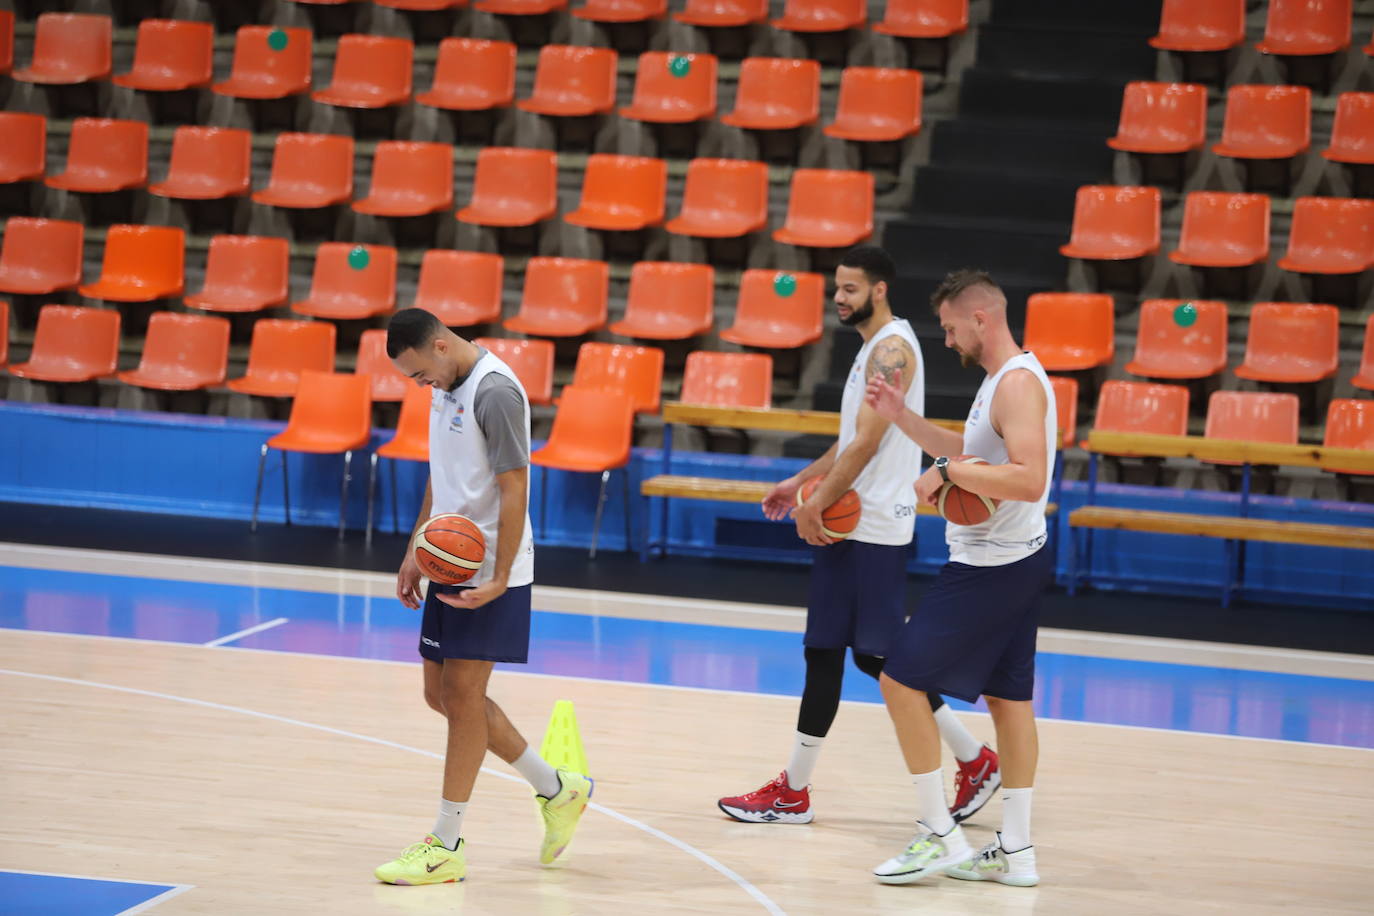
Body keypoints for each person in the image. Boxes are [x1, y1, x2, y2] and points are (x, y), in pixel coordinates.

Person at [717, 247, 999, 826]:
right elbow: (852, 437)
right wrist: (801, 480)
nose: (839, 298)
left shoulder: (892, 349)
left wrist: (814, 505)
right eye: (837, 289)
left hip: (871, 528)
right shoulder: (874, 350)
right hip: (857, 524)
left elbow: (869, 445)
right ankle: (796, 789)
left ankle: (974, 759)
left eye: (849, 289)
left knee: (879, 658)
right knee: (832, 651)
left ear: (878, 290)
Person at [373, 308, 592, 885]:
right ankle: (557, 788)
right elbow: (442, 473)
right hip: (450, 557)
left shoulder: (495, 393)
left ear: (441, 346)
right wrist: (415, 548)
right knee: (439, 694)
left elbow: (515, 483)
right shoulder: (444, 382)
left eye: (421, 373)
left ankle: (447, 842)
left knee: (463, 696)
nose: (421, 385)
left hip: (488, 567)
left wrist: (498, 576)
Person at [864, 269, 1056, 888]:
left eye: (950, 328)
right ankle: (1017, 851)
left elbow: (1030, 479)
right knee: (1010, 700)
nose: (946, 341)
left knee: (898, 681)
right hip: (1015, 560)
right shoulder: (1003, 381)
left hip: (990, 567)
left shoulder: (1018, 385)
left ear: (981, 318)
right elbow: (973, 448)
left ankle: (937, 833)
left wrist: (946, 470)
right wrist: (903, 420)